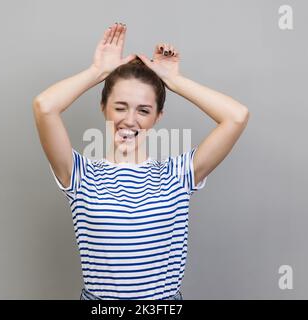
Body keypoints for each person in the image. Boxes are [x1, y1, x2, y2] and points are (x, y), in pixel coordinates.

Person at [32, 22, 250, 300]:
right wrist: (97, 71)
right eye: (120, 107)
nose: (130, 120)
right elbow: (45, 107)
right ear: (103, 107)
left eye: (144, 110)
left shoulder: (177, 175)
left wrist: (173, 80)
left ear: (158, 116)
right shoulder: (79, 175)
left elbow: (236, 116)